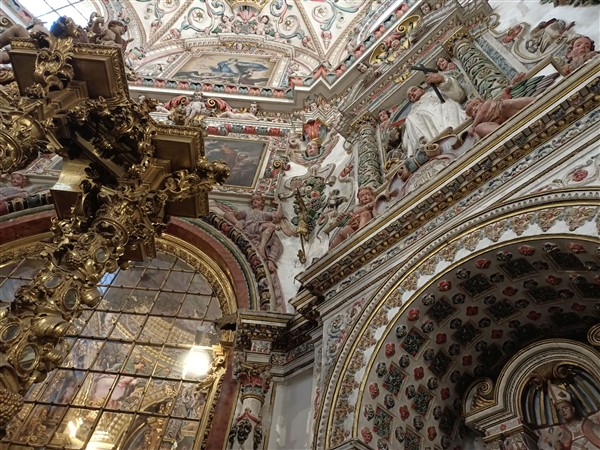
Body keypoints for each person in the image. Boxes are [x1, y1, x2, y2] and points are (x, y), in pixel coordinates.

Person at [402, 73, 468, 157]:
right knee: (410, 118)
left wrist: (442, 81)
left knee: (447, 106)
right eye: (410, 96)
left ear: (422, 89)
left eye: (414, 90)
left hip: (448, 118)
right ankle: (429, 148)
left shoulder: (436, 92)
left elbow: (459, 96)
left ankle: (455, 135)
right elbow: (407, 142)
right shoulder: (412, 115)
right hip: (430, 133)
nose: (412, 94)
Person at [223, 193, 284, 272]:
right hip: (248, 228)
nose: (255, 201)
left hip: (259, 228)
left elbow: (277, 217)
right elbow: (227, 214)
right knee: (271, 226)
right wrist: (236, 222)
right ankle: (262, 247)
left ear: (262, 203)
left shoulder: (264, 214)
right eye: (253, 200)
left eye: (258, 200)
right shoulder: (247, 212)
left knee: (273, 230)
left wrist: (279, 205)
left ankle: (262, 247)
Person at [465, 96, 535, 139]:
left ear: (482, 101)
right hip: (497, 125)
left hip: (505, 111)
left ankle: (535, 101)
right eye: (471, 111)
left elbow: (483, 112)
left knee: (506, 105)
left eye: (476, 104)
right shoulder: (480, 124)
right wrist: (474, 133)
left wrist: (473, 126)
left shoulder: (487, 103)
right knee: (479, 128)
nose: (475, 109)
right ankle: (504, 133)